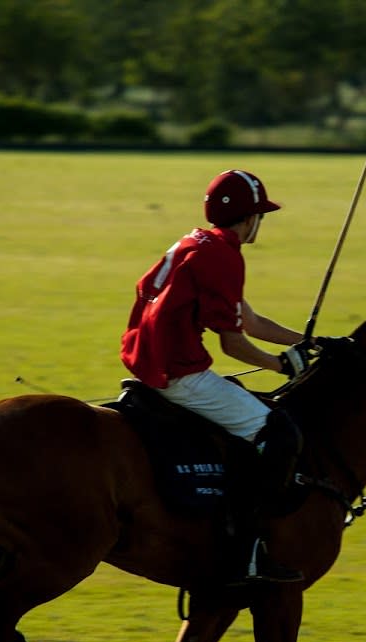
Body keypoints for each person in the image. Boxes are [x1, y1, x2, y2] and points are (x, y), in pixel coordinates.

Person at [121, 169, 315, 584]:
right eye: (259, 216)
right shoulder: (224, 256)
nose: (259, 223)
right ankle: (247, 552)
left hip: (154, 361)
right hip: (179, 373)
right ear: (249, 218)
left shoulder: (199, 243)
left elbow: (249, 321)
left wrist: (309, 342)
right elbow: (234, 344)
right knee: (279, 433)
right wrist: (281, 365)